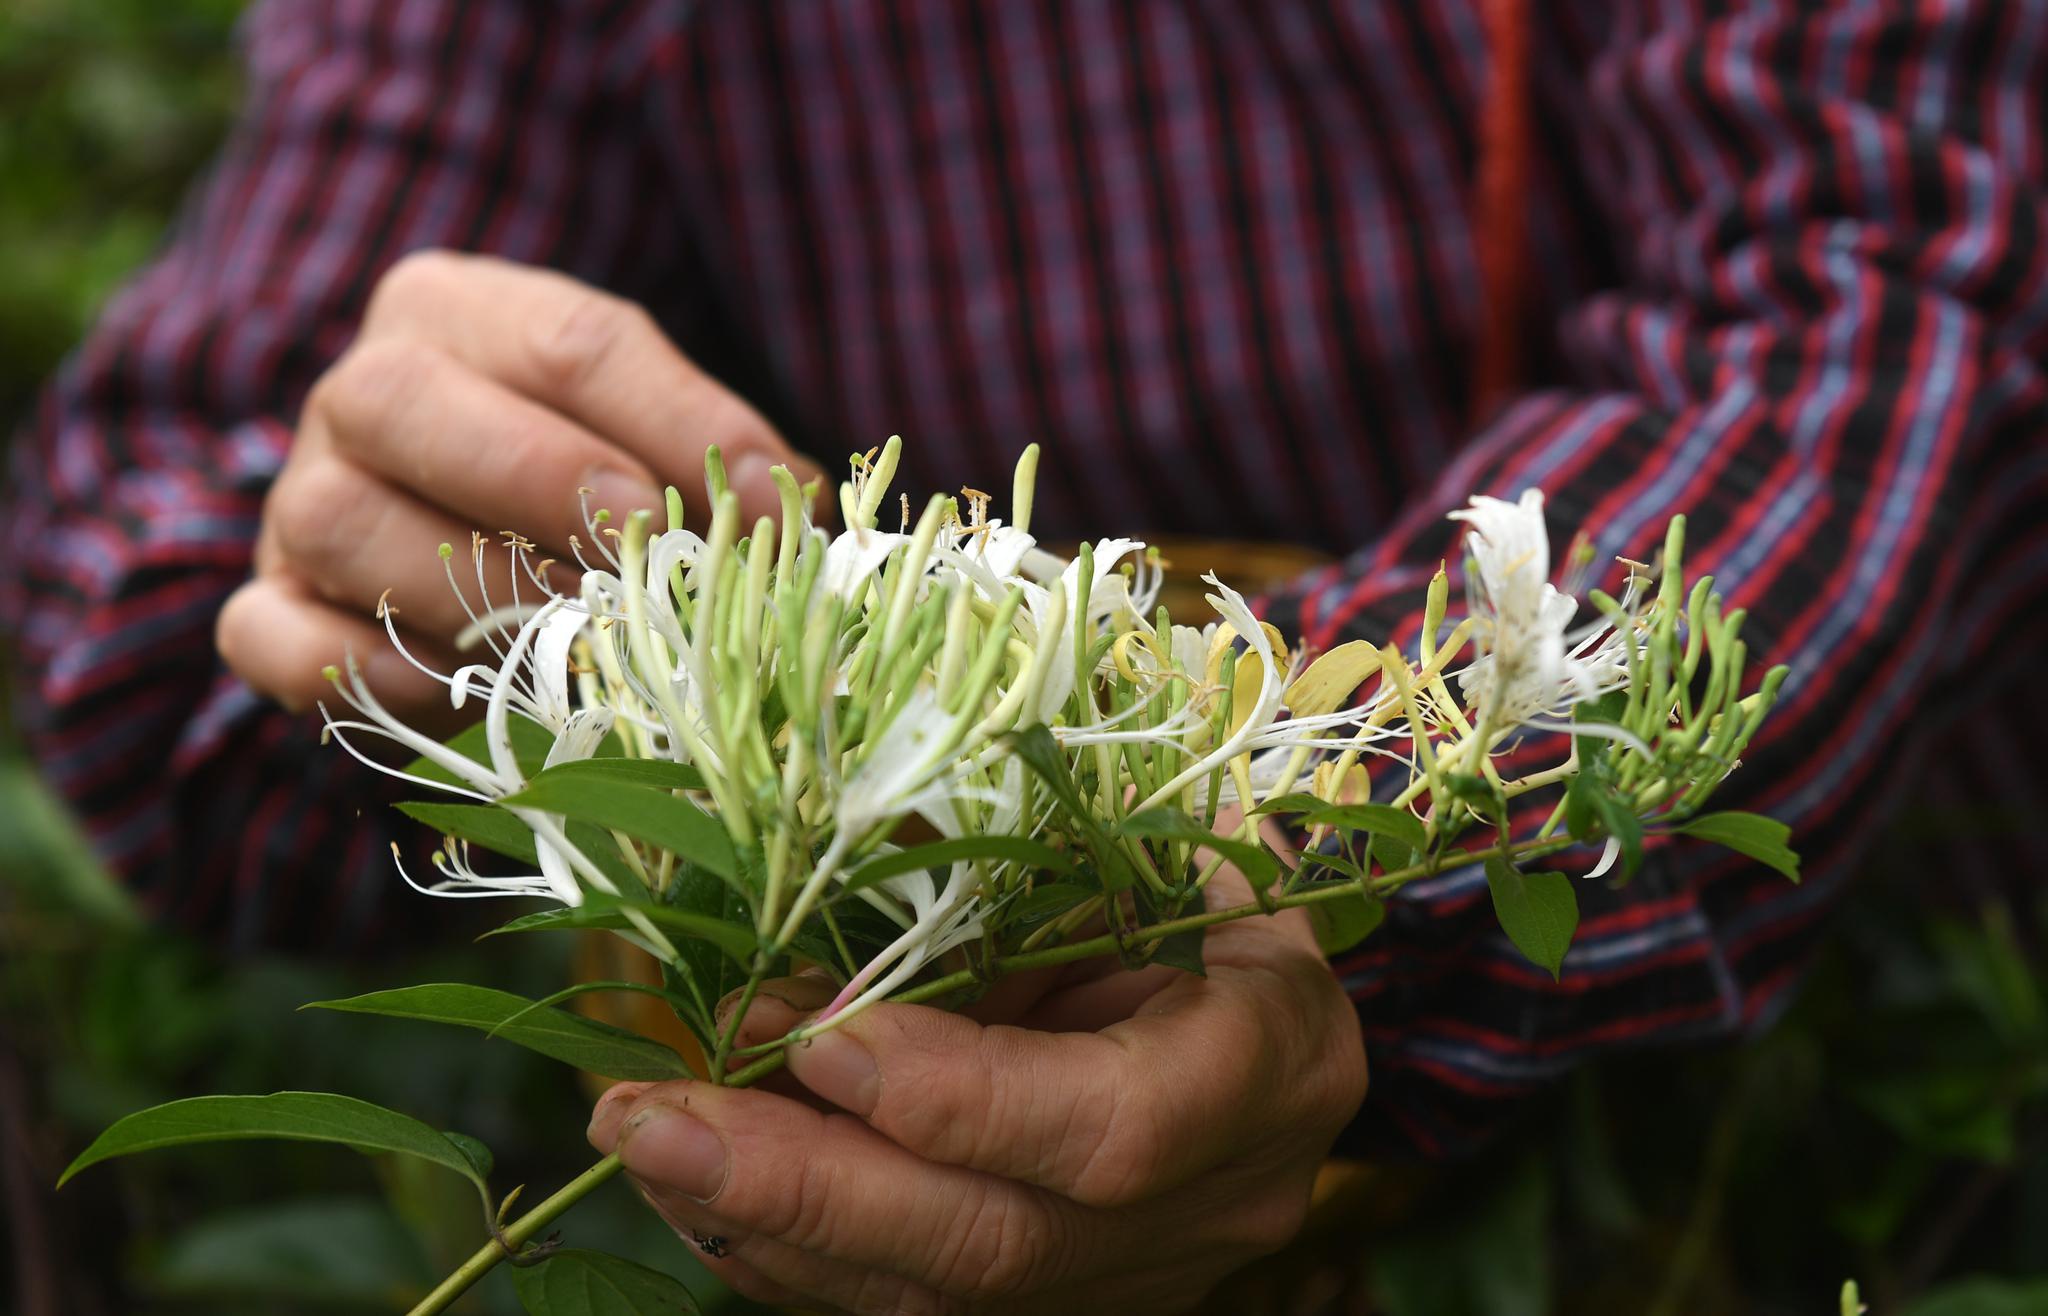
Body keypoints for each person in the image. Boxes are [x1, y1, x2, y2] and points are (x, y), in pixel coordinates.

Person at [7, 1, 2046, 1309]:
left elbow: (1887, 264)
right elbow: (133, 583)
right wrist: (357, 547)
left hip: (1855, 1119)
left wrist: (1337, 832)